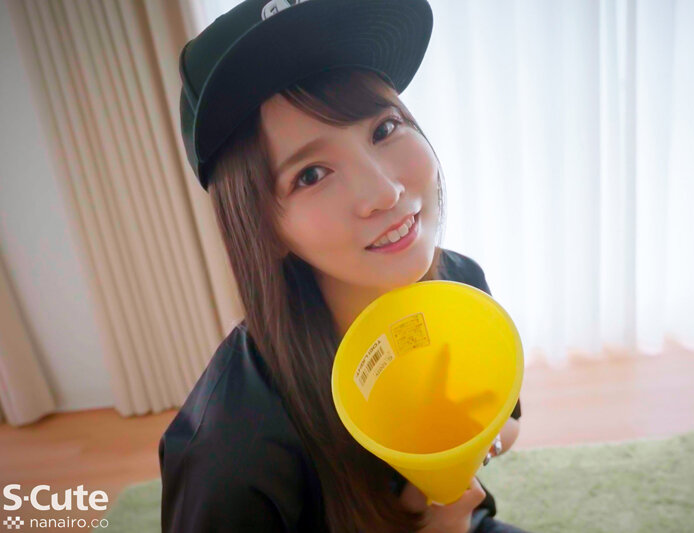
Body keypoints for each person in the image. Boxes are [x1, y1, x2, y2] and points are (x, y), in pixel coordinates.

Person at [160, 0, 527, 531]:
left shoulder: (461, 285)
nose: (385, 191)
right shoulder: (229, 452)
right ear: (262, 226)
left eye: (384, 129)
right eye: (311, 174)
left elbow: (507, 424)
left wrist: (466, 456)